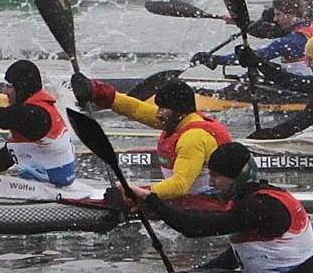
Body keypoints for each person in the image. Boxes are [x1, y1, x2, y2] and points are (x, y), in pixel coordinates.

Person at [110, 142, 313, 273]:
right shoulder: (247, 201)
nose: (211, 183)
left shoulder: (262, 205)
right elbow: (239, 255)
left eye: (215, 176)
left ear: (237, 177)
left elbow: (191, 228)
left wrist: (151, 198)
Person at [70, 76, 233, 198]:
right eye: (159, 107)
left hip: (211, 200)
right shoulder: (177, 119)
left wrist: (135, 195)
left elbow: (179, 186)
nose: (159, 114)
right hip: (188, 197)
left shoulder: (194, 137)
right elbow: (135, 109)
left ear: (180, 111)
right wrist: (98, 92)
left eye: (164, 109)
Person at [198, 0, 313, 76]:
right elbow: (265, 31)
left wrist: (215, 59)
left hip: (300, 92)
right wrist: (239, 23)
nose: (275, 19)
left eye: (278, 14)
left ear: (292, 13)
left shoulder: (292, 41)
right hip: (308, 81)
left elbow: (256, 56)